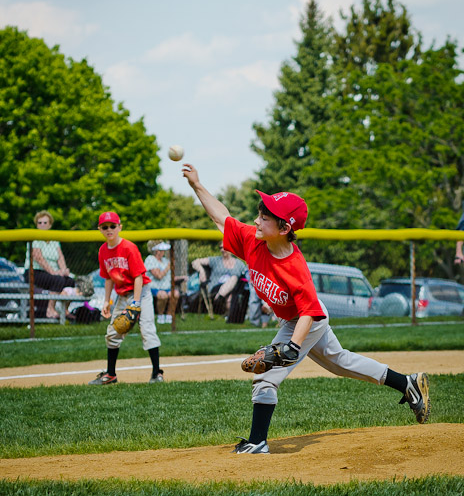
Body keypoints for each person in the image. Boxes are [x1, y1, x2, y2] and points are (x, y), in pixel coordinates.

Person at [182, 163, 431, 454]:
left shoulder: (295, 268)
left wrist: (291, 347)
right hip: (303, 316)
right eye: (260, 214)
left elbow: (309, 314)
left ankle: (257, 441)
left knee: (266, 377)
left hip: (306, 320)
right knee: (341, 362)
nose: (257, 220)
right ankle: (407, 384)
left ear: (285, 228)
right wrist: (197, 186)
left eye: (265, 217)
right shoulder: (254, 240)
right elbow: (222, 217)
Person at [89, 211, 163, 385]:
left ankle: (156, 373)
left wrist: (136, 303)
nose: (109, 230)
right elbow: (107, 277)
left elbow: (138, 276)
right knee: (112, 332)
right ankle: (111, 374)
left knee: (147, 329)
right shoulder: (103, 251)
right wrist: (106, 301)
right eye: (105, 227)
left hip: (141, 292)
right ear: (100, 229)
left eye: (112, 226)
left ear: (119, 227)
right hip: (122, 294)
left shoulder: (129, 247)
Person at [24, 210, 75, 319]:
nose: (42, 225)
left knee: (70, 281)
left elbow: (60, 257)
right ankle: (50, 310)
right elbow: (38, 258)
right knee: (58, 280)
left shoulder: (54, 240)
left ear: (50, 225)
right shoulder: (35, 237)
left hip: (53, 273)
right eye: (39, 223)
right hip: (35, 272)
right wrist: (53, 272)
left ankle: (64, 309)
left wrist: (64, 270)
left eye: (45, 223)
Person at [191, 241, 246, 315]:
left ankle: (221, 299)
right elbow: (195, 262)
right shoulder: (215, 260)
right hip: (215, 289)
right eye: (220, 248)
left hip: (234, 289)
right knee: (232, 283)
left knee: (234, 279)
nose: (222, 250)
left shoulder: (239, 264)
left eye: (225, 247)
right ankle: (219, 298)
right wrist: (201, 271)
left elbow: (247, 275)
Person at [144, 241, 182, 324]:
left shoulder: (165, 260)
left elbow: (168, 277)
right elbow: (159, 276)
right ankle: (160, 315)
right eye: (162, 250)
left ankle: (169, 315)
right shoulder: (150, 259)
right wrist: (168, 267)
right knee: (163, 295)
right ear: (157, 251)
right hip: (154, 287)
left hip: (166, 287)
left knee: (175, 294)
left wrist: (181, 277)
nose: (163, 252)